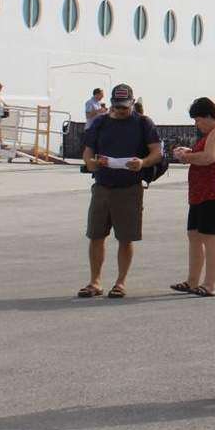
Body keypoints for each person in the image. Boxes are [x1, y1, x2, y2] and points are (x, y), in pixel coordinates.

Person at [79, 84, 163, 299]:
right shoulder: (100, 122)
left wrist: (142, 163)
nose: (121, 111)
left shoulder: (143, 123)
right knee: (96, 235)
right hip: (102, 186)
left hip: (129, 188)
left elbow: (157, 152)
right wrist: (91, 163)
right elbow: (88, 152)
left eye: (125, 107)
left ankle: (120, 282)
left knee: (126, 237)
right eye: (117, 107)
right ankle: (94, 281)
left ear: (132, 103)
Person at [170, 97, 215, 297]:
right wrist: (190, 152)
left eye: (198, 120)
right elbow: (206, 153)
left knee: (209, 238)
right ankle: (192, 281)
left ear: (208, 116)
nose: (196, 124)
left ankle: (209, 284)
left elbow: (210, 157)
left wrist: (186, 157)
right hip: (202, 192)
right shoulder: (212, 133)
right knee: (194, 235)